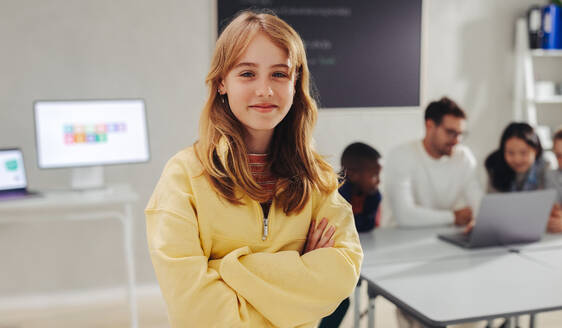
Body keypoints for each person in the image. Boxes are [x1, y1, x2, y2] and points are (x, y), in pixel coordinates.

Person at [145, 10, 362, 328]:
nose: (265, 90)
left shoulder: (317, 177)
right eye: (247, 74)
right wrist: (299, 272)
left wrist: (226, 270)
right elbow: (191, 310)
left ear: (295, 83)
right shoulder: (183, 177)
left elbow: (342, 274)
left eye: (279, 74)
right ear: (222, 82)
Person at [384, 97, 482, 228]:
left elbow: (478, 203)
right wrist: (453, 217)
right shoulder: (401, 156)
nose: (457, 140)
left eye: (460, 134)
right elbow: (405, 216)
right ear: (429, 125)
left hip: (441, 238)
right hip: (398, 239)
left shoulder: (463, 157)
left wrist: (477, 220)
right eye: (450, 132)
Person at [319, 142, 382, 328]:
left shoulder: (374, 196)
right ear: (353, 175)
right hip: (330, 256)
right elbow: (335, 226)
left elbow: (368, 225)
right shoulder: (334, 193)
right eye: (374, 175)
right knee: (340, 302)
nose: (378, 181)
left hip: (361, 251)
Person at [485, 122, 562, 233]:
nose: (517, 159)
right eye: (510, 153)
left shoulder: (546, 167)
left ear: (535, 151)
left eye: (524, 153)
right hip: (505, 228)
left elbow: (551, 207)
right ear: (503, 151)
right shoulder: (495, 166)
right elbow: (493, 209)